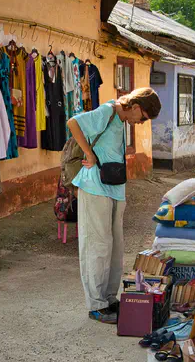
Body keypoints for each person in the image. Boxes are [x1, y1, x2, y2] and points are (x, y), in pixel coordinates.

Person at [66, 87, 161, 324]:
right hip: (94, 185)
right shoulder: (107, 111)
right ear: (137, 107)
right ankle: (96, 305)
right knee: (97, 245)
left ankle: (109, 298)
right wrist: (88, 153)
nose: (142, 122)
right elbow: (73, 123)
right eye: (144, 117)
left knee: (115, 247)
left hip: (114, 187)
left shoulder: (121, 119)